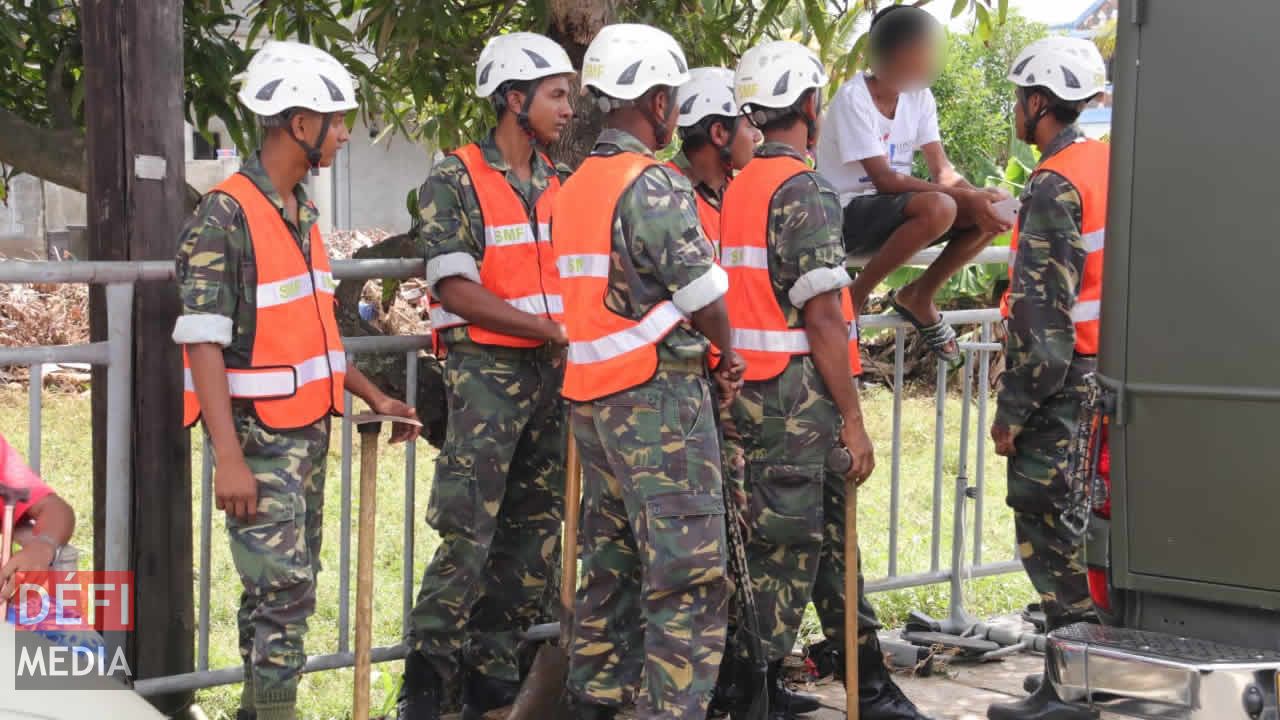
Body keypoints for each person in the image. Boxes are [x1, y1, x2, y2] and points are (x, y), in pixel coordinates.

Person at [173, 40, 419, 720]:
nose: (343, 134)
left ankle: (258, 712)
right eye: (336, 121)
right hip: (256, 445)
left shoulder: (300, 211)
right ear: (298, 124)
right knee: (284, 593)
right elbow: (201, 345)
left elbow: (314, 331)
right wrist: (229, 459)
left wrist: (371, 394)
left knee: (276, 592)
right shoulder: (223, 219)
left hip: (305, 438)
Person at [722, 40, 932, 720]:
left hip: (754, 398)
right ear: (811, 107)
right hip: (794, 401)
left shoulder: (741, 184)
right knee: (785, 553)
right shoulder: (802, 189)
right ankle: (750, 696)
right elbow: (820, 314)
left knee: (828, 540)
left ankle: (866, 682)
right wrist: (852, 416)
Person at [553, 23, 744, 720]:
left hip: (592, 403)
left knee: (610, 568)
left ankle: (595, 704)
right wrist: (730, 356)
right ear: (658, 101)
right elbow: (704, 295)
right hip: (655, 404)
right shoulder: (652, 184)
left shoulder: (574, 187)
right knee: (686, 577)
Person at [397, 31, 576, 720]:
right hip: (486, 380)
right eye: (556, 96)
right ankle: (426, 685)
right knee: (467, 536)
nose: (567, 109)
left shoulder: (560, 183)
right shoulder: (454, 179)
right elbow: (456, 290)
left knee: (533, 536)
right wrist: (548, 329)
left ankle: (492, 683)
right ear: (513, 98)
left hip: (552, 381)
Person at [987, 36, 1108, 720]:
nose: (1015, 109)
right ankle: (1083, 674)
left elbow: (1041, 320)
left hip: (1062, 385)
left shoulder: (1053, 183)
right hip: (1105, 372)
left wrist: (1013, 413)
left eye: (1017, 98)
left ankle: (1073, 687)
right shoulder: (1108, 164)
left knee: (1046, 525)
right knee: (1082, 527)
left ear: (1038, 102)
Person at [815, 5, 1011, 362]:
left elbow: (943, 170)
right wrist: (961, 197)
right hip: (844, 214)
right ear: (900, 53)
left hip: (895, 212)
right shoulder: (853, 98)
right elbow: (886, 180)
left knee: (990, 212)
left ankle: (919, 295)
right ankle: (856, 296)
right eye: (925, 50)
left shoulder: (920, 97)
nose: (931, 58)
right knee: (942, 206)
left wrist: (980, 196)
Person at [668, 66, 759, 256]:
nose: (758, 136)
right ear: (718, 133)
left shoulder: (737, 191)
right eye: (750, 126)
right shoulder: (665, 192)